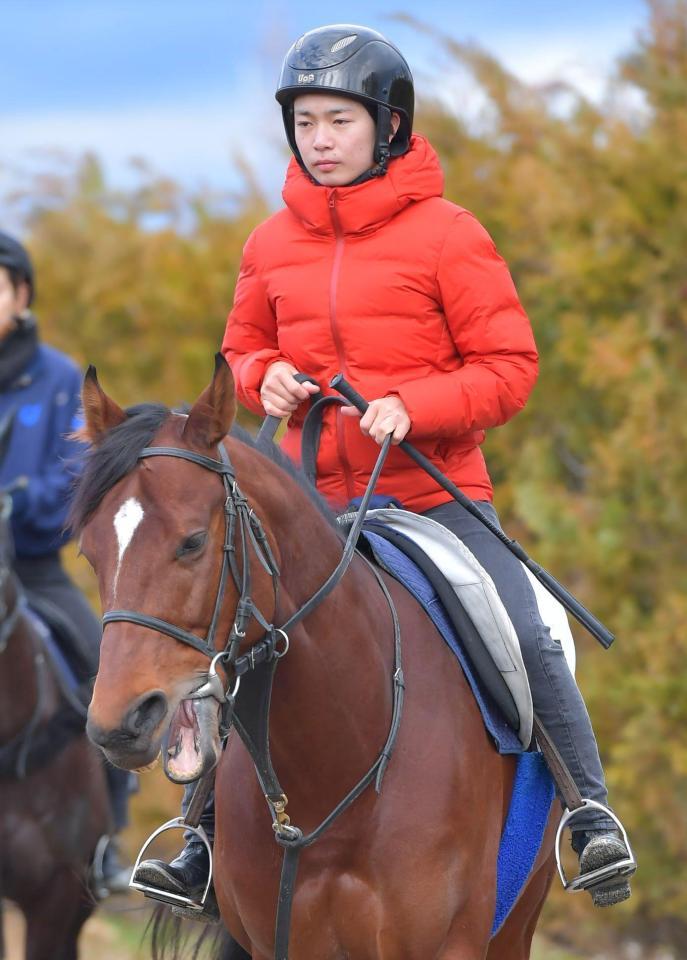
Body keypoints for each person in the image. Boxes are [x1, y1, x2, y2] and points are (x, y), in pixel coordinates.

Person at [136, 24, 634, 910]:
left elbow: (509, 368)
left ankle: (590, 816)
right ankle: (200, 837)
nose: (318, 139)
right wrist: (265, 377)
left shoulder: (449, 236)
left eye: (338, 120)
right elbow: (241, 347)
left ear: (388, 126)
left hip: (428, 496)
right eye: (305, 122)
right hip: (304, 501)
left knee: (523, 632)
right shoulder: (268, 242)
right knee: (222, 634)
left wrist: (418, 404)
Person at [0, 231, 133, 893]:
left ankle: (107, 838)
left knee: (98, 668)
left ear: (20, 295)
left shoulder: (57, 379)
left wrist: (17, 501)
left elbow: (79, 481)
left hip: (32, 568)